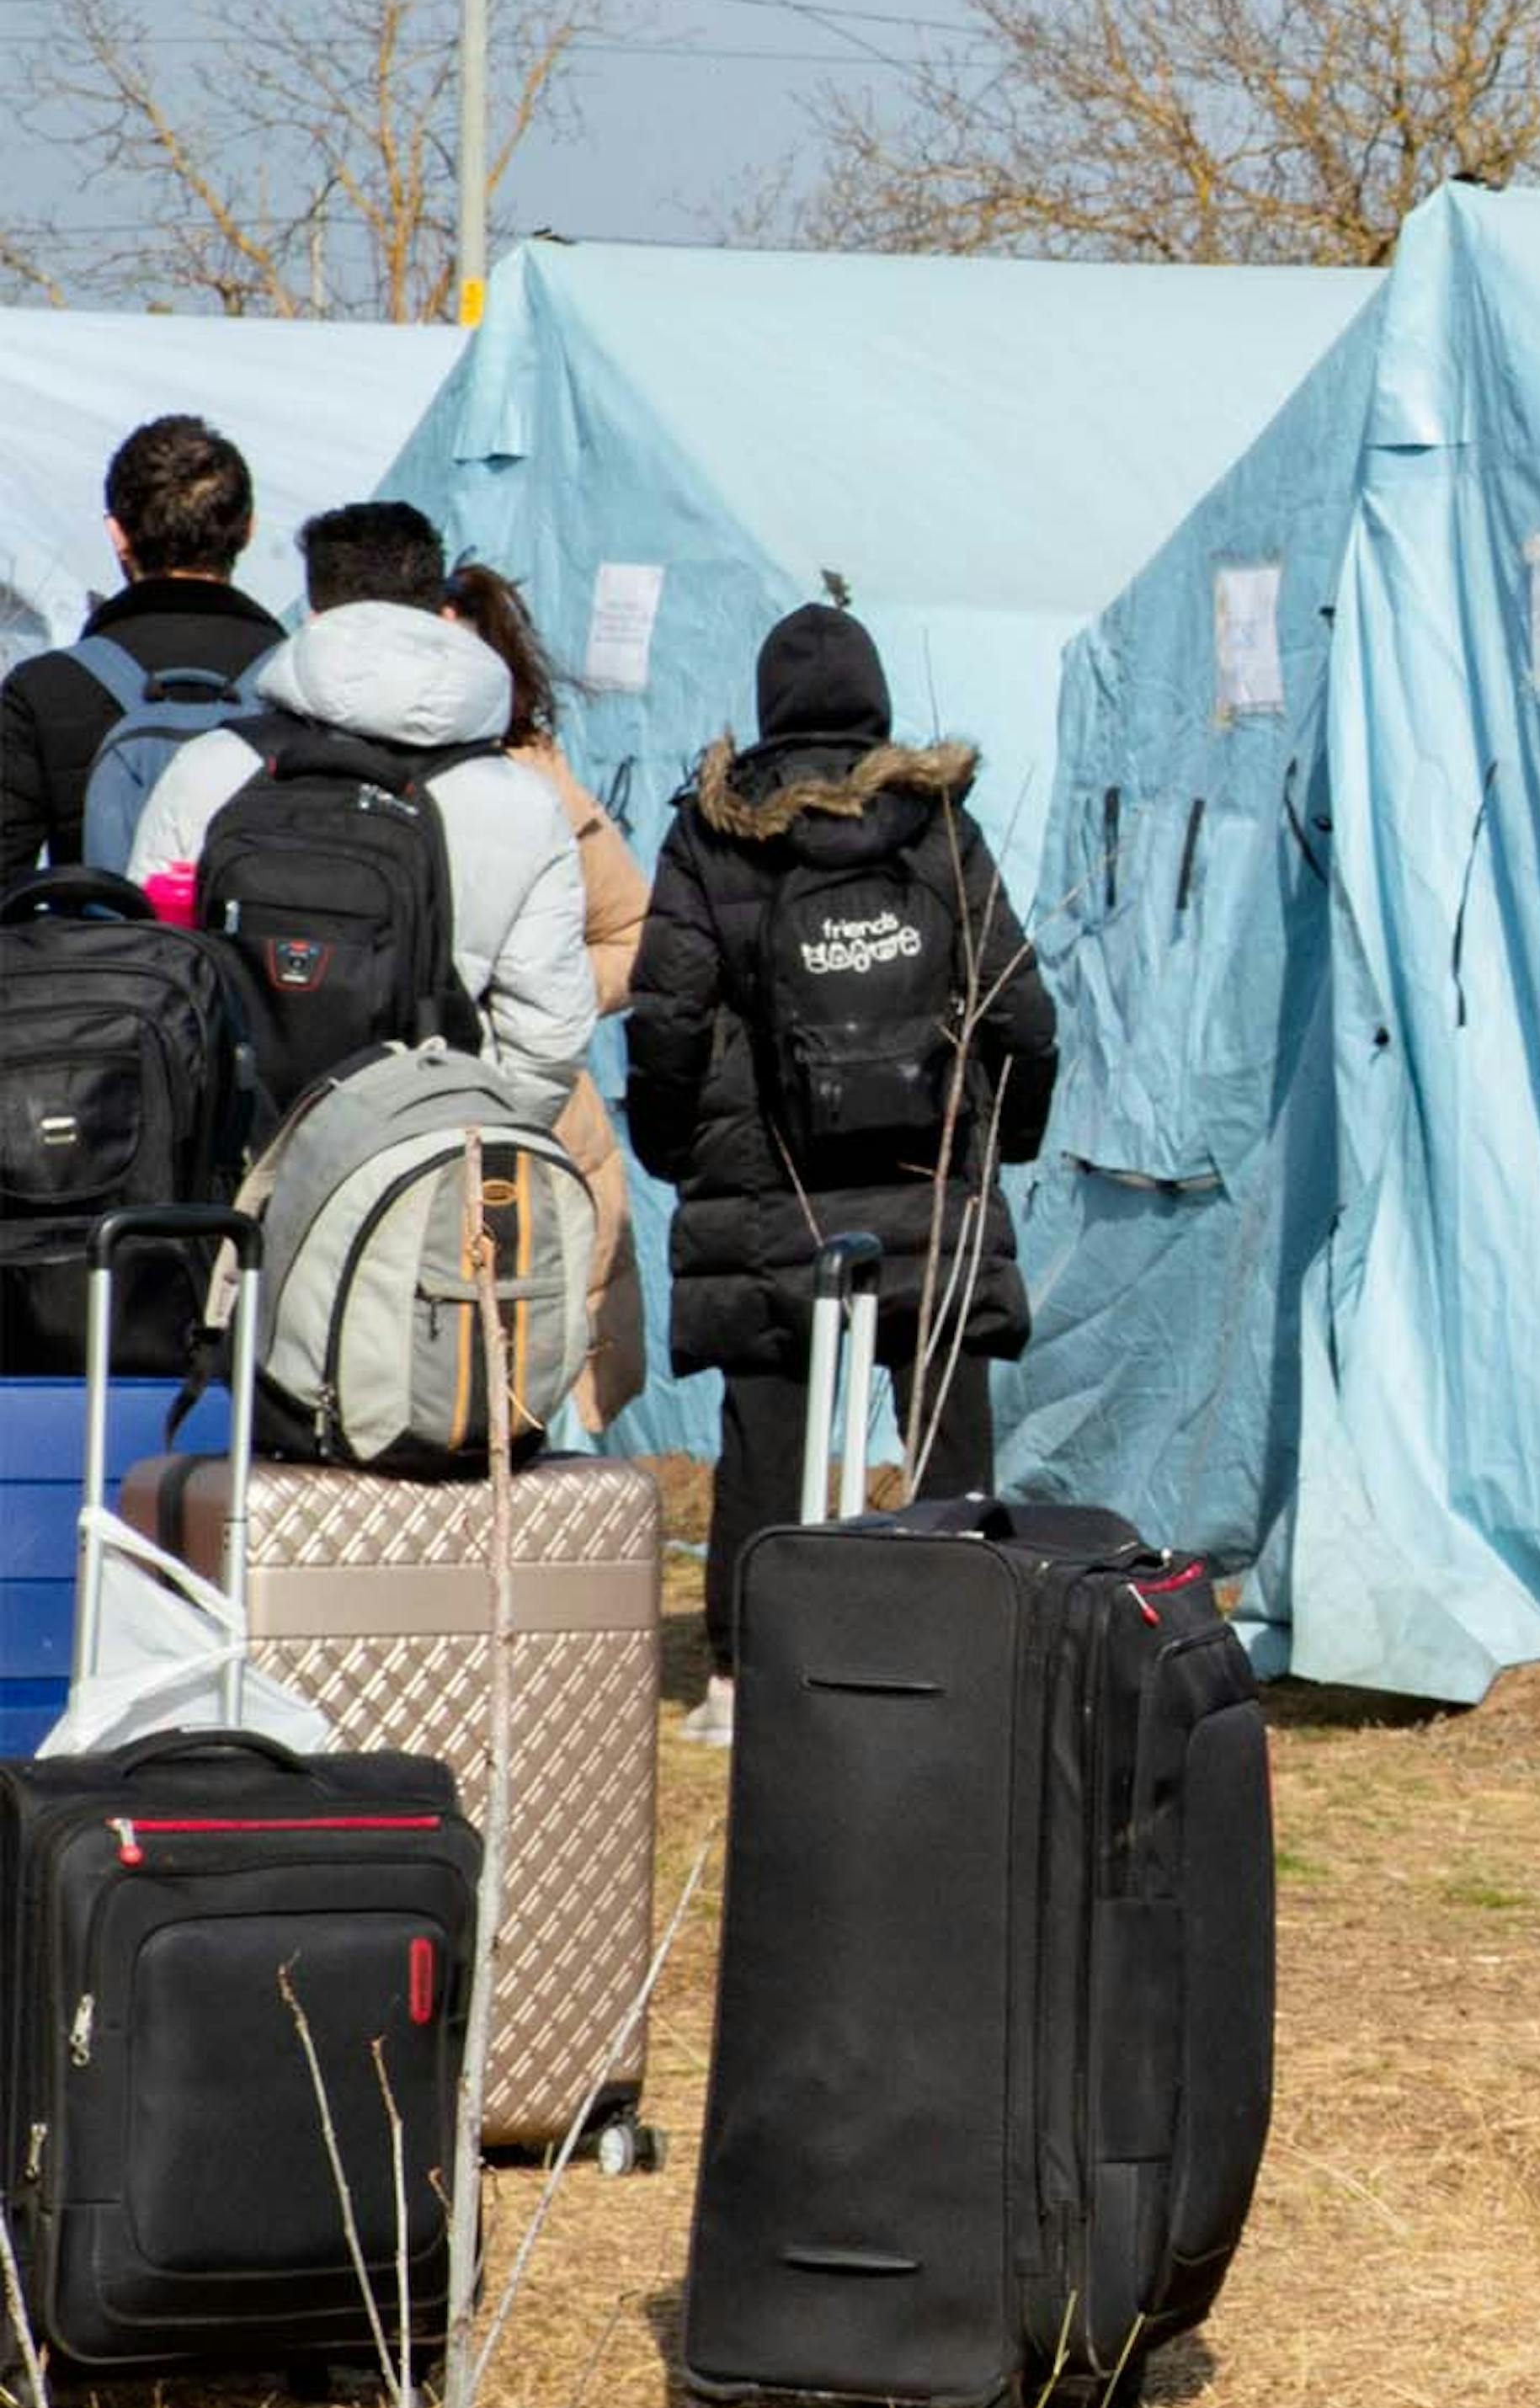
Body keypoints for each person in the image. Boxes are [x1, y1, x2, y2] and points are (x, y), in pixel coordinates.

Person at [622, 604, 1055, 1708]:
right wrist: (998, 1149)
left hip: (768, 1186)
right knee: (946, 1422)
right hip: (931, 1176)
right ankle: (966, 1659)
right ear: (877, 704)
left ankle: (740, 1675)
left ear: (767, 711)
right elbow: (1024, 1015)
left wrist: (677, 1151)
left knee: (767, 1425)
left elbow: (666, 1019)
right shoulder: (939, 826)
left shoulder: (715, 831)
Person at [126, 498, 602, 1103]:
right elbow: (548, 1039)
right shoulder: (519, 802)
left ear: (316, 608)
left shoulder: (212, 768)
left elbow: (149, 977)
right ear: (439, 610)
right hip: (422, 1160)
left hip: (231, 1161)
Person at [441, 563, 658, 1427]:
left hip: (537, 1124)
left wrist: (549, 997)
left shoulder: (540, 784)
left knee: (541, 1391)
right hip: (402, 1119)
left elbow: (634, 934)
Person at [0, 415, 287, 876]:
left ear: (117, 533)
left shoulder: (44, 689)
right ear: (248, 529)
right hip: (263, 947)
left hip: (99, 944)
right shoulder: (297, 684)